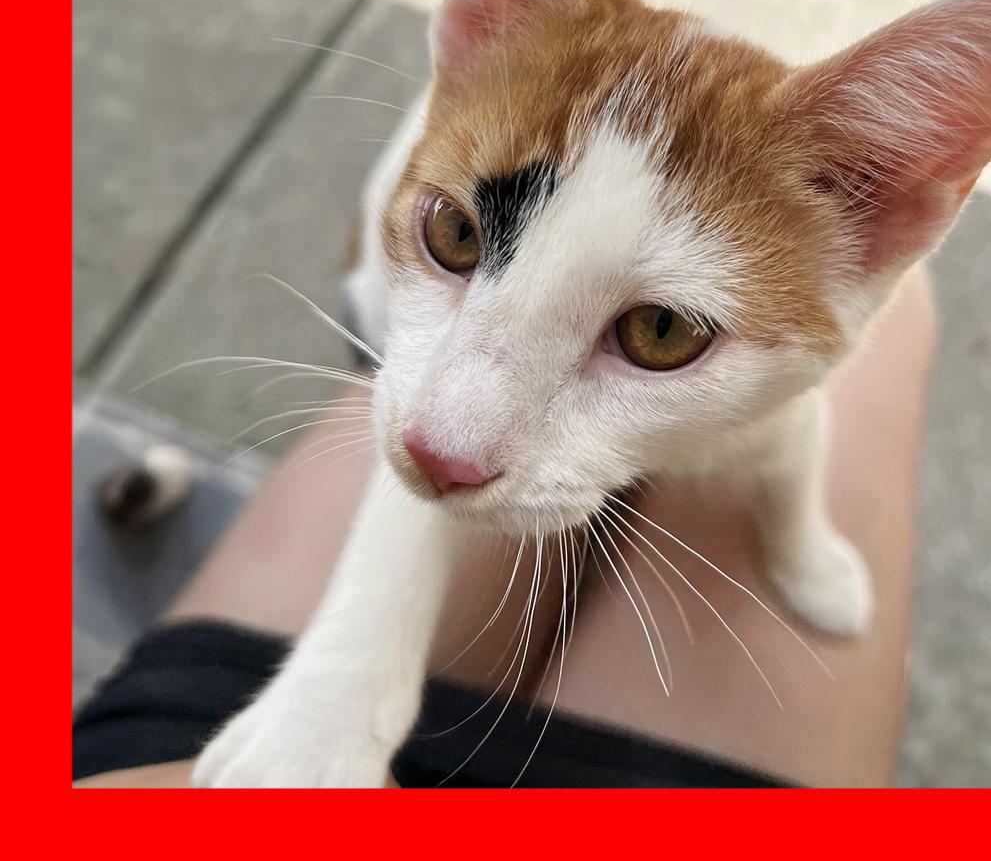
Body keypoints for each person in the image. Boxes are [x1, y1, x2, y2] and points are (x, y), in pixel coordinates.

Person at [73, 266, 935, 789]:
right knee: (901, 314)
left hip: (181, 752)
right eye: (456, 237)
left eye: (658, 329)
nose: (442, 445)